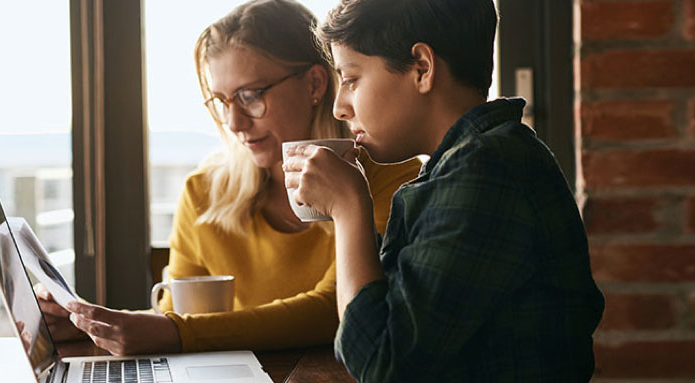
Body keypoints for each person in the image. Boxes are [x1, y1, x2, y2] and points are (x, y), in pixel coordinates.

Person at [36, 0, 421, 356]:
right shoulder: (204, 193)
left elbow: (335, 309)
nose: (235, 123)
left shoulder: (390, 180)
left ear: (316, 84)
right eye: (223, 102)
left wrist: (175, 332)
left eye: (251, 95)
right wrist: (88, 325)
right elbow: (176, 319)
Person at [284, 0, 605, 381]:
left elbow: (383, 364)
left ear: (422, 68)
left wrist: (350, 206)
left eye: (351, 79)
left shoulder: (487, 171)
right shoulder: (466, 164)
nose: (340, 107)